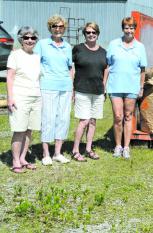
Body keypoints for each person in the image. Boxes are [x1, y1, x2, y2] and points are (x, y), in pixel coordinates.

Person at [105, 17, 147, 159]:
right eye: (126, 27)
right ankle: (118, 146)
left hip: (131, 86)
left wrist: (141, 87)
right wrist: (104, 84)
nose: (129, 30)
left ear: (135, 29)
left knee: (128, 116)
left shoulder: (140, 47)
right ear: (123, 28)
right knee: (118, 117)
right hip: (115, 86)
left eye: (132, 28)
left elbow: (142, 69)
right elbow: (107, 65)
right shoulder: (113, 44)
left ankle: (126, 147)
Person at [34, 15, 73, 165]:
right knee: (48, 119)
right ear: (50, 28)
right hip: (48, 86)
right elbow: (35, 65)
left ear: (64, 28)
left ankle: (57, 153)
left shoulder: (68, 47)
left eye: (61, 26)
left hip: (65, 88)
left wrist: (72, 86)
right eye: (55, 26)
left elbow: (70, 68)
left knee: (63, 119)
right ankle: (46, 154)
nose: (58, 29)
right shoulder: (42, 44)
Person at [71, 22, 108, 161]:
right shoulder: (78, 49)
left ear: (97, 34)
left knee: (93, 121)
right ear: (84, 34)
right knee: (84, 120)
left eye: (94, 32)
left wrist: (104, 88)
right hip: (82, 90)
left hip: (98, 91)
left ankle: (88, 148)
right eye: (88, 32)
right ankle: (75, 150)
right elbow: (71, 68)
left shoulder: (103, 52)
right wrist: (72, 88)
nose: (91, 34)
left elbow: (106, 69)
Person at [6, 26, 41, 173]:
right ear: (21, 39)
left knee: (29, 131)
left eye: (33, 38)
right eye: (26, 37)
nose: (30, 40)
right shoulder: (15, 55)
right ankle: (15, 161)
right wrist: (10, 98)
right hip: (20, 97)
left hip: (36, 97)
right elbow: (10, 77)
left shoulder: (37, 56)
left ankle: (23, 158)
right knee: (19, 130)